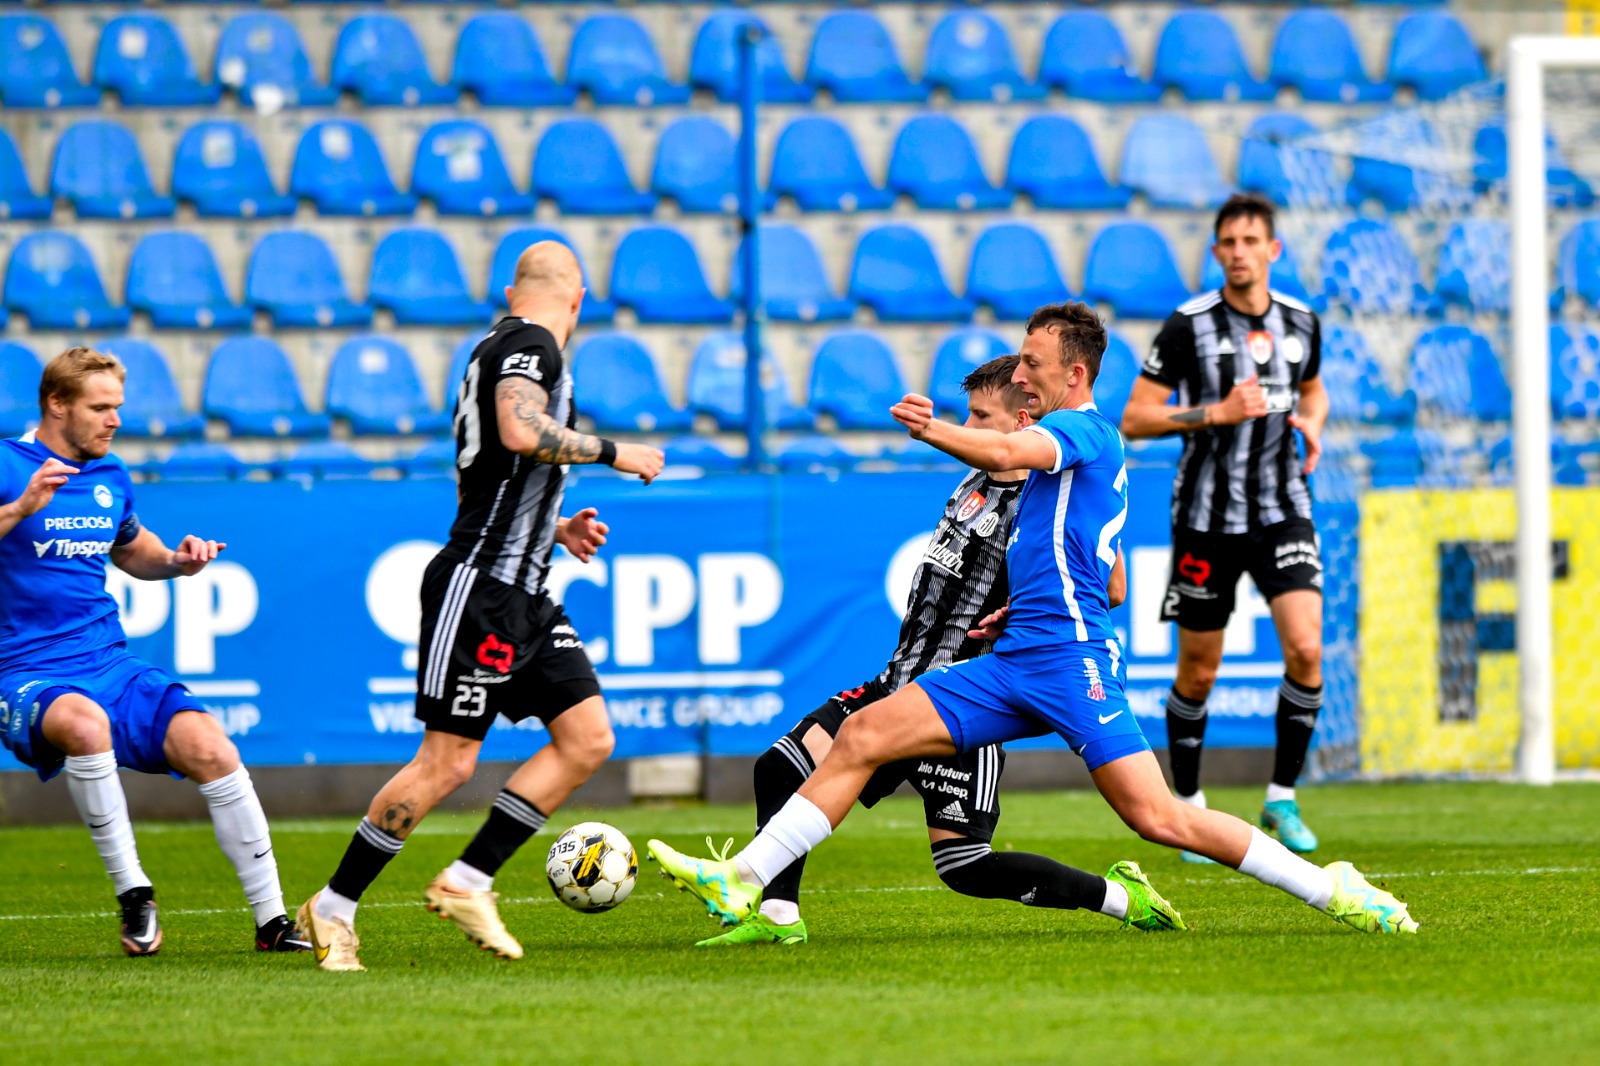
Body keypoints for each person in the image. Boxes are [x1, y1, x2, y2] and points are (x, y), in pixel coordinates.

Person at [647, 302, 1416, 936]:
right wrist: (1024, 602)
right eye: (1019, 363)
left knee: (1160, 819)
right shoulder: (1054, 460)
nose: (1020, 375)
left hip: (1071, 660)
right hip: (1016, 656)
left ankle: (1330, 887)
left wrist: (933, 430)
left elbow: (1013, 453)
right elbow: (1082, 553)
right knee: (863, 734)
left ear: (1074, 375)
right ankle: (744, 880)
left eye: (1032, 366)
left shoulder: (1086, 429)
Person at [701, 356, 1177, 947]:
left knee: (966, 868)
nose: (969, 425)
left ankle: (1121, 897)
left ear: (1024, 422)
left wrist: (1020, 616)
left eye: (981, 416)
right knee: (782, 766)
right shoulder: (975, 481)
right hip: (902, 676)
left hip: (961, 692)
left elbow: (1112, 586)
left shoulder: (1040, 500)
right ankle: (775, 917)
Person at [296, 242, 663, 972]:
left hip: (526, 588)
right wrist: (615, 451)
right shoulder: (531, 346)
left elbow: (490, 474)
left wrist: (553, 528)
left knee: (587, 738)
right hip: (482, 587)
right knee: (447, 763)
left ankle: (468, 879)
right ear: (579, 299)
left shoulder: (496, 348)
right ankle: (333, 906)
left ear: (509, 288)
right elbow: (519, 431)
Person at [0, 346, 308, 956]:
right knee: (86, 728)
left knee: (211, 745)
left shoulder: (110, 474)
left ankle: (273, 923)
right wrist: (19, 509)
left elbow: (131, 549)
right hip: (22, 668)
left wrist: (176, 562)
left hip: (106, 660)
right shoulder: (9, 464)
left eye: (118, 406)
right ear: (57, 404)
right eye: (101, 407)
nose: (115, 420)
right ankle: (135, 897)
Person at [1120, 193, 1330, 862]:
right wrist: (1213, 413)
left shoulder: (1303, 323)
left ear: (1274, 250)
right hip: (1207, 522)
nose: (1239, 252)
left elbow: (1315, 389)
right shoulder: (1188, 327)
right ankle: (1188, 804)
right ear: (1216, 254)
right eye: (1228, 243)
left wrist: (1314, 425)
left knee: (1306, 648)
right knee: (1200, 670)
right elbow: (1136, 416)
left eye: (1250, 241)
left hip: (1282, 508)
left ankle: (1282, 797)